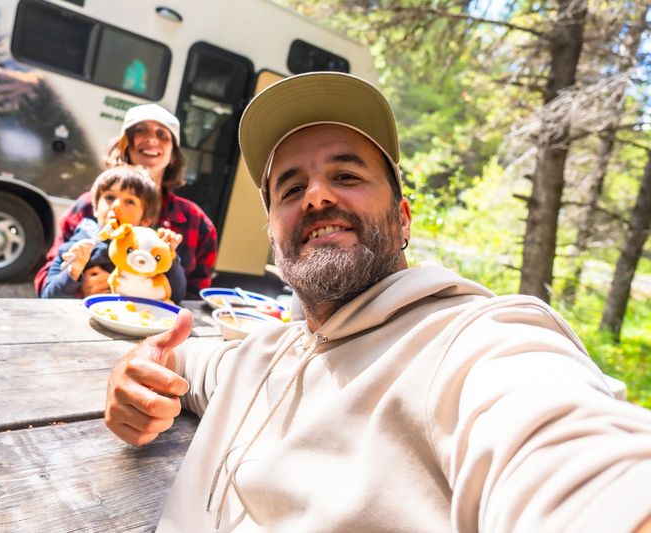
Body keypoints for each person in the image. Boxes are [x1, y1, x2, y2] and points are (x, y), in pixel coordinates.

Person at [104, 72, 651, 532]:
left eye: (346, 175)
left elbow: (573, 458)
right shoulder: (261, 354)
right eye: (291, 189)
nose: (317, 195)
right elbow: (183, 362)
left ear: (404, 217)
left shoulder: (474, 346)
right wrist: (137, 370)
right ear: (274, 233)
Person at [34, 103, 217, 299]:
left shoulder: (197, 222)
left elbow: (195, 298)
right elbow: (47, 281)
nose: (151, 139)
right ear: (125, 146)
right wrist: (79, 284)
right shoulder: (86, 207)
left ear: (173, 156)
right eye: (140, 130)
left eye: (162, 134)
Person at [40, 165, 186, 302]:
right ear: (96, 208)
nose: (116, 206)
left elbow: (177, 295)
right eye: (110, 197)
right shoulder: (77, 246)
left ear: (146, 220)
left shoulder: (151, 250)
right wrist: (73, 272)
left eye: (130, 201)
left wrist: (170, 257)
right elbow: (47, 297)